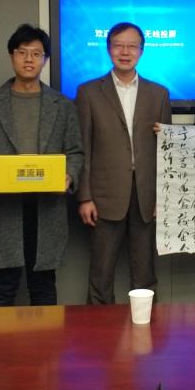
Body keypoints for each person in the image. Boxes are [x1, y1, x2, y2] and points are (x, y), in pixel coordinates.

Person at [0, 24, 84, 306]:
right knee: (2, 288)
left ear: (45, 59)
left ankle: (47, 339)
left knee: (43, 287)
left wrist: (69, 177)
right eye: (22, 52)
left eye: (36, 53)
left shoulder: (63, 105)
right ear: (11, 56)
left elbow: (75, 152)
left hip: (46, 208)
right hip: (4, 207)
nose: (29, 59)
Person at [75, 23, 171, 304]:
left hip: (146, 197)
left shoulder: (159, 93)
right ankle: (100, 330)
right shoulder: (88, 92)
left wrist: (163, 196)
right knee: (101, 274)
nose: (125, 52)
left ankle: (146, 328)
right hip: (103, 197)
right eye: (118, 45)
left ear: (142, 51)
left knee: (145, 275)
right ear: (108, 49)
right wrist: (85, 197)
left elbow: (166, 152)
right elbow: (83, 148)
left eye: (132, 46)